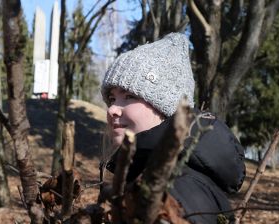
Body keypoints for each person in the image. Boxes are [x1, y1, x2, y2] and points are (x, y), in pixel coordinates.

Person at [100, 33, 246, 223]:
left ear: (167, 109)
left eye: (129, 96)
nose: (112, 109)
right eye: (112, 98)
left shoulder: (175, 191)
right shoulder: (157, 176)